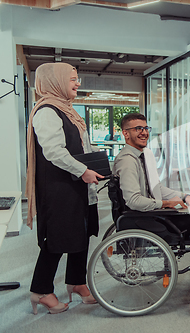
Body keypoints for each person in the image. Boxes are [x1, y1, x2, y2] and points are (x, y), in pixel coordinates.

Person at [26, 63, 103, 315]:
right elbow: (54, 151)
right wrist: (83, 171)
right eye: (72, 78)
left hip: (77, 187)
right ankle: (41, 290)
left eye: (77, 78)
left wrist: (95, 167)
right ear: (55, 81)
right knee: (57, 240)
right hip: (59, 190)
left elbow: (82, 148)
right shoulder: (47, 111)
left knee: (81, 234)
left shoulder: (68, 111)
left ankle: (77, 282)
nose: (77, 83)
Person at [112, 113, 190, 246]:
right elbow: (134, 201)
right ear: (126, 134)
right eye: (138, 129)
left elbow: (157, 188)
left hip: (151, 213)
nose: (144, 133)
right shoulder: (127, 160)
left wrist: (184, 196)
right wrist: (166, 203)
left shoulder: (141, 156)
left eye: (145, 128)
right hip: (143, 218)